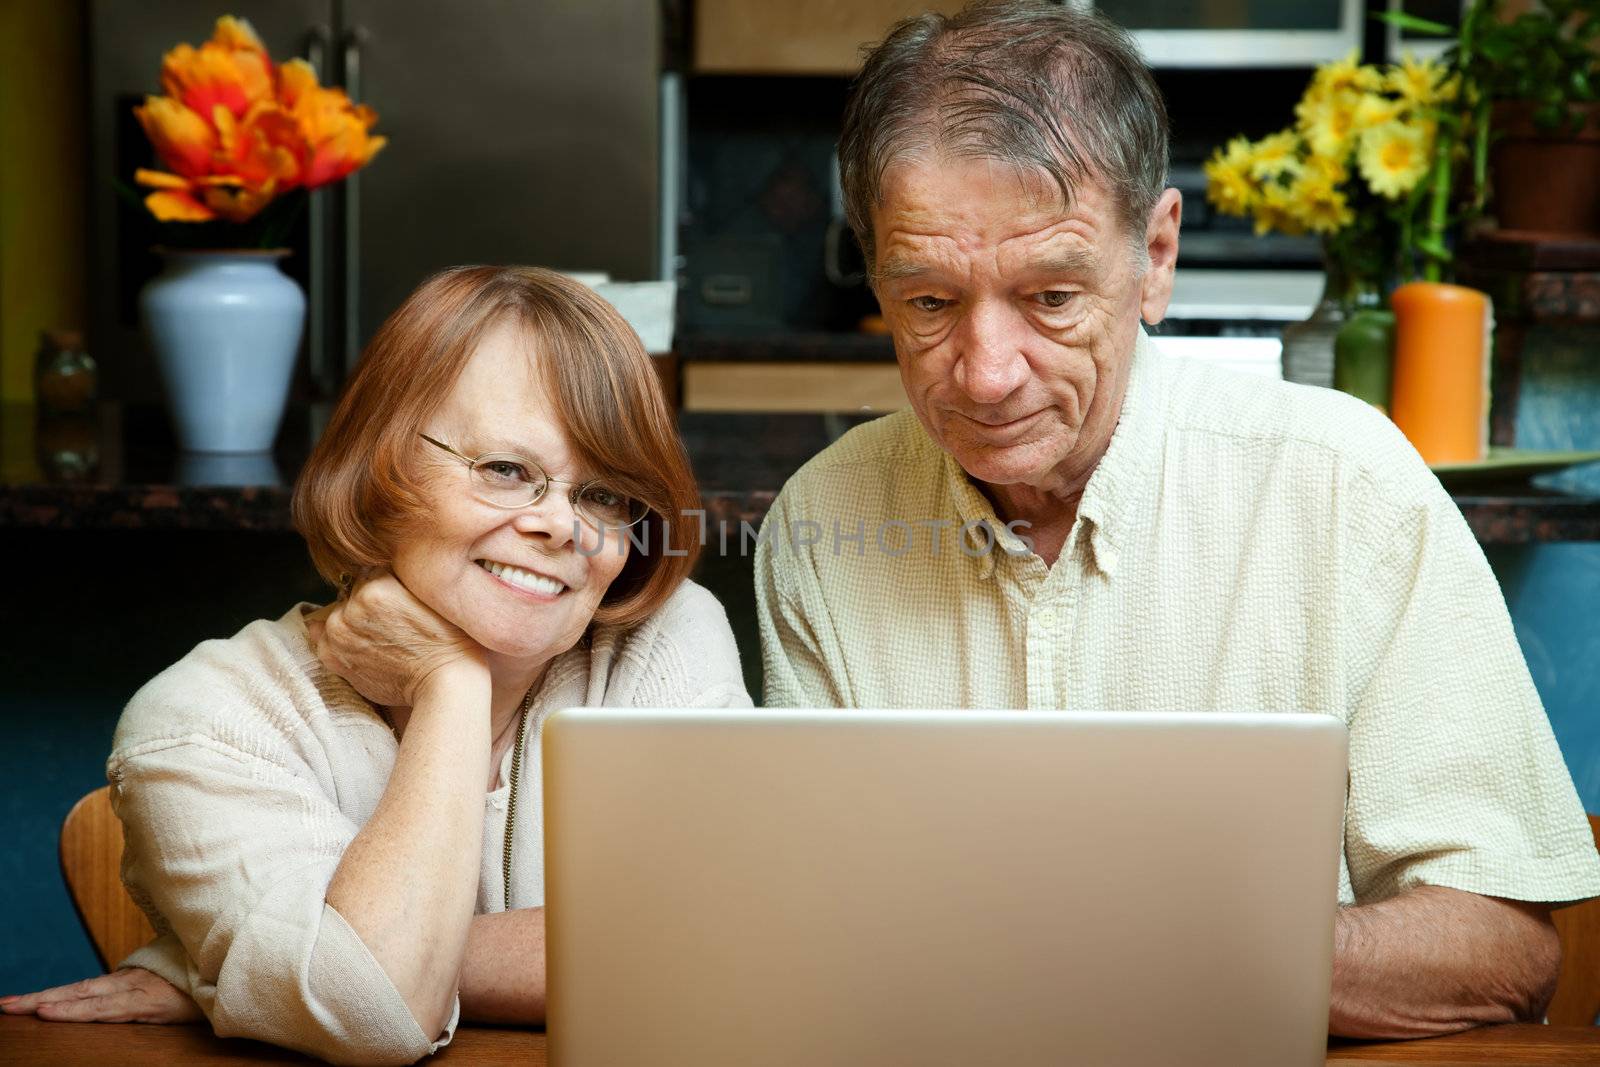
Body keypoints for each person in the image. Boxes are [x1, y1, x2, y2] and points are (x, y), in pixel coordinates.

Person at [754, 0, 1600, 1039]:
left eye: (1052, 296)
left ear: (1154, 255)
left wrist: (1152, 941)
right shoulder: (822, 523)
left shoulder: (1346, 486)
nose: (983, 372)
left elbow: (1506, 951)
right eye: (927, 303)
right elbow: (817, 939)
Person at [1, 266, 750, 1062]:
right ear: (378, 469)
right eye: (504, 470)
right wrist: (450, 684)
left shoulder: (666, 640)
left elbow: (729, 945)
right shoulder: (205, 719)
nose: (562, 525)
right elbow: (376, 1014)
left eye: (603, 495)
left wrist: (245, 975)